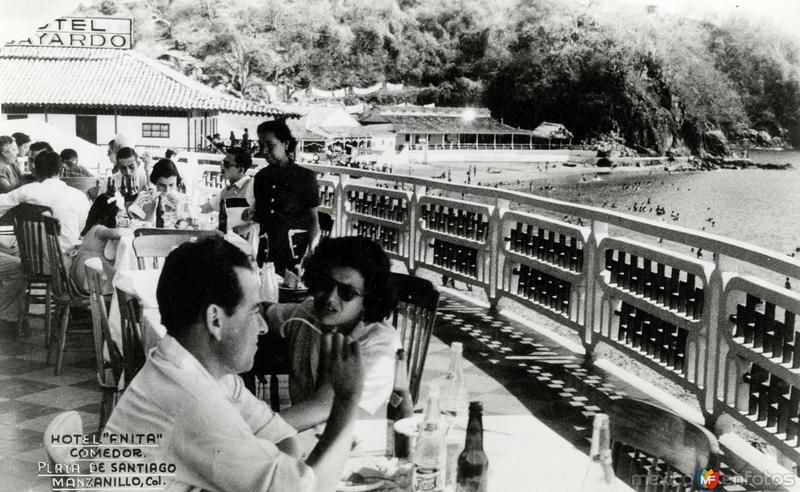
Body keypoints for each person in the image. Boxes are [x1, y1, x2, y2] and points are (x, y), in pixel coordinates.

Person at [105, 237, 364, 492]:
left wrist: (283, 474)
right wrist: (347, 401)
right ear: (215, 320)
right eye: (253, 312)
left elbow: (277, 433)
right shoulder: (193, 402)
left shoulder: (202, 371)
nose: (263, 327)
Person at [260, 237, 400, 428]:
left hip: (356, 445)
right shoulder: (307, 314)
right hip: (304, 435)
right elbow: (266, 311)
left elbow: (324, 407)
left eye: (347, 292)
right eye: (325, 284)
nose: (330, 298)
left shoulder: (379, 345)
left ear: (369, 300)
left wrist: (254, 434)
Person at [0, 151, 90, 335]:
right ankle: (77, 308)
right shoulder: (78, 196)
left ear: (36, 172)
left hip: (34, 265)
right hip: (66, 267)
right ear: (62, 170)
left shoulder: (28, 191)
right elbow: (83, 229)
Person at [252, 119, 321, 273]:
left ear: (286, 144)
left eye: (270, 145)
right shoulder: (261, 177)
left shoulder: (305, 177)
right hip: (266, 253)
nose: (264, 151)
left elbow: (313, 221)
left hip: (295, 254)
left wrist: (313, 252)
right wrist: (252, 215)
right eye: (261, 145)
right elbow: (261, 215)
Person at [71, 192, 131, 294]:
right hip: (90, 277)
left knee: (120, 275)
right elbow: (119, 232)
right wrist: (133, 229)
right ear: (108, 216)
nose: (118, 221)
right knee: (124, 280)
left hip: (83, 272)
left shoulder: (92, 227)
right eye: (117, 217)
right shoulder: (100, 230)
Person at [200, 147, 255, 235]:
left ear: (240, 170)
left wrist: (243, 229)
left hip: (243, 244)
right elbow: (206, 208)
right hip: (226, 241)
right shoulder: (227, 191)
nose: (221, 167)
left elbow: (265, 216)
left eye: (226, 164)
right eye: (222, 162)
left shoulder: (253, 187)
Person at [128, 158, 189, 227]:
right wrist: (148, 216)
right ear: (155, 182)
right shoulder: (143, 198)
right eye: (162, 185)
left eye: (171, 185)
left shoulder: (183, 200)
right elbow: (133, 226)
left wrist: (179, 213)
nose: (167, 190)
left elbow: (189, 225)